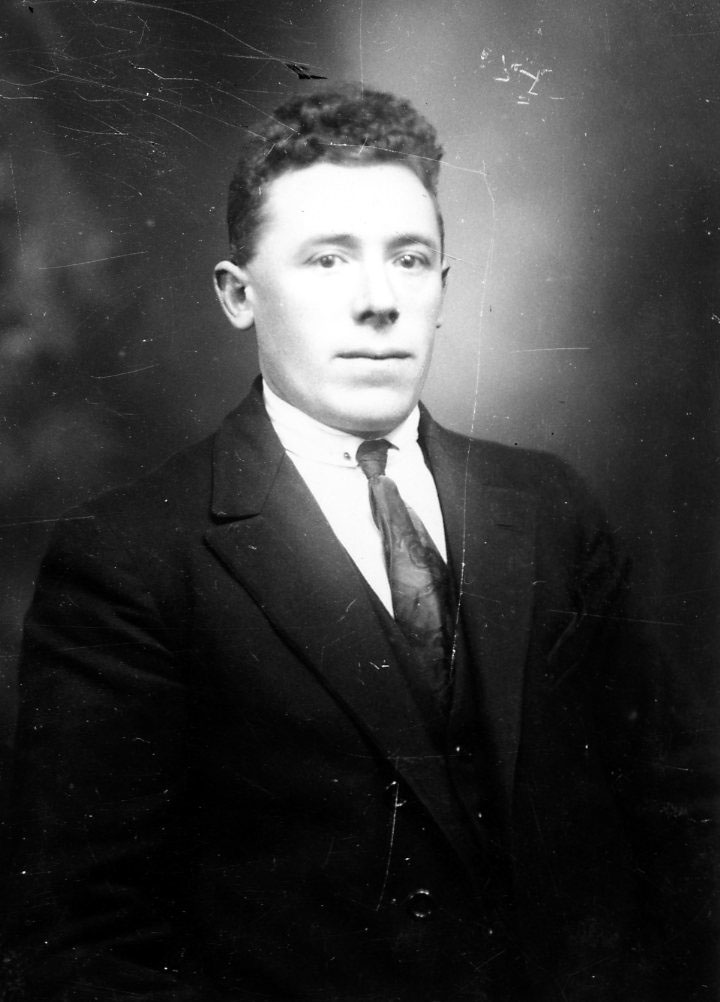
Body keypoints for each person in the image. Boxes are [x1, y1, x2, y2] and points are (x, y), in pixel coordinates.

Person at [2, 86, 716, 1002]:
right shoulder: (130, 558)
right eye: (328, 260)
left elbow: (684, 818)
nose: (379, 302)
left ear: (443, 287)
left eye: (409, 260)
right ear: (238, 295)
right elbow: (77, 943)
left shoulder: (547, 507)